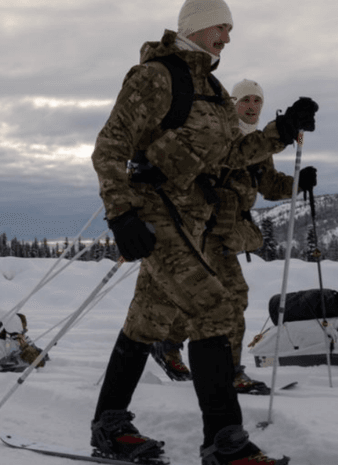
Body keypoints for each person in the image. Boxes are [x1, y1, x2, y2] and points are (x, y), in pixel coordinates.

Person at [89, 1, 317, 463]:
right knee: (215, 306)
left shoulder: (211, 89)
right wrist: (121, 216)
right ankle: (225, 443)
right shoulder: (157, 76)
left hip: (191, 220)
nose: (228, 38)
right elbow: (109, 145)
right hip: (156, 214)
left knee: (146, 322)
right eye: (221, 27)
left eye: (231, 30)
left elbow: (232, 156)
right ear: (195, 25)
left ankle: (109, 425)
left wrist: (282, 129)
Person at [151, 79, 316, 395]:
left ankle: (167, 344)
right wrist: (279, 133)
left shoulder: (258, 142)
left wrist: (297, 183)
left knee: (205, 297)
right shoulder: (221, 133)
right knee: (232, 295)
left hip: (228, 230)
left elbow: (266, 184)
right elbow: (230, 160)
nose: (252, 106)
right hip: (205, 227)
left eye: (257, 101)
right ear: (233, 103)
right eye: (245, 101)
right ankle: (228, 373)